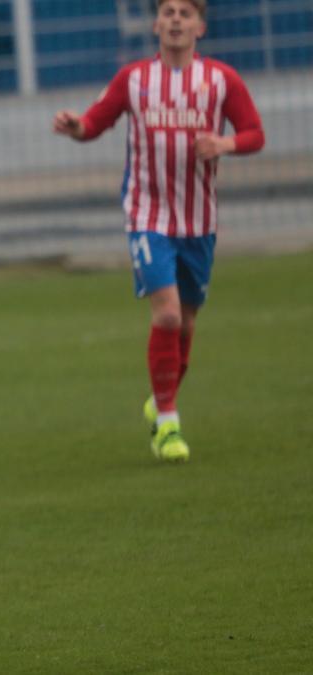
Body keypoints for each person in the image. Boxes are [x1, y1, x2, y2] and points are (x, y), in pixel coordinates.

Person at [52, 0, 264, 462]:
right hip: (147, 215)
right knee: (167, 315)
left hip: (198, 221)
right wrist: (76, 127)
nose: (175, 19)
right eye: (167, 11)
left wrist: (224, 142)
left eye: (185, 13)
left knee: (185, 323)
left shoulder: (221, 80)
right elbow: (97, 121)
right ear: (155, 24)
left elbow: (254, 133)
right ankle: (167, 421)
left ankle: (159, 399)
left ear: (200, 27)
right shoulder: (134, 80)